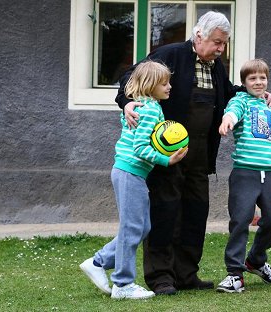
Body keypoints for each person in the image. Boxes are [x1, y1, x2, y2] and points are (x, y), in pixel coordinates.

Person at [115, 11, 271, 296]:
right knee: (165, 213)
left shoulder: (215, 66)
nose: (221, 49)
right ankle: (161, 277)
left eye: (224, 44)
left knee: (195, 212)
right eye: (217, 42)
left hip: (200, 156)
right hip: (166, 156)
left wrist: (256, 95)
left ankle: (186, 274)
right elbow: (131, 76)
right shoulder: (171, 54)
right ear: (199, 36)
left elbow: (227, 93)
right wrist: (128, 102)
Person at [79, 61, 187, 299]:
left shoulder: (148, 106)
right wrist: (167, 160)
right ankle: (123, 284)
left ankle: (98, 262)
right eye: (165, 83)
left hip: (132, 173)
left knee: (142, 227)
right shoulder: (148, 110)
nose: (170, 86)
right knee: (132, 227)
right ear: (150, 85)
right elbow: (140, 148)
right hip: (130, 172)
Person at [216, 59, 271, 293]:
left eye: (262, 78)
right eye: (252, 78)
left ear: (267, 80)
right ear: (244, 82)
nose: (258, 82)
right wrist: (227, 120)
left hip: (270, 174)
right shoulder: (240, 102)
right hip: (245, 173)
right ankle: (235, 274)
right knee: (240, 220)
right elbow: (232, 113)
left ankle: (256, 260)